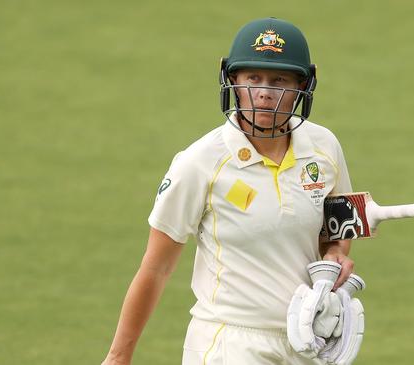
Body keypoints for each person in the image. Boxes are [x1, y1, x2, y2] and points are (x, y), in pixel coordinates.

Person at [102, 17, 355, 365]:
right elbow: (155, 268)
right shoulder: (199, 162)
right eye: (253, 78)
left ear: (303, 84)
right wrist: (118, 357)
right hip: (228, 343)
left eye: (279, 80)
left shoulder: (325, 147)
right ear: (233, 81)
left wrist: (335, 255)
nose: (265, 92)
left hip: (306, 340)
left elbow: (337, 228)